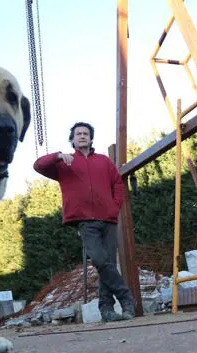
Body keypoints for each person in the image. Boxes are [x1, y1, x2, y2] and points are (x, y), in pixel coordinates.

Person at [33, 122, 136, 322]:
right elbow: (38, 165)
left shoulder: (104, 161)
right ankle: (126, 298)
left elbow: (117, 184)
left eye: (86, 133)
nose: (82, 136)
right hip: (85, 222)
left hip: (108, 219)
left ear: (91, 138)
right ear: (72, 139)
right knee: (99, 260)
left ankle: (106, 310)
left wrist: (114, 208)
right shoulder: (64, 163)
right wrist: (57, 156)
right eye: (78, 134)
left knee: (107, 264)